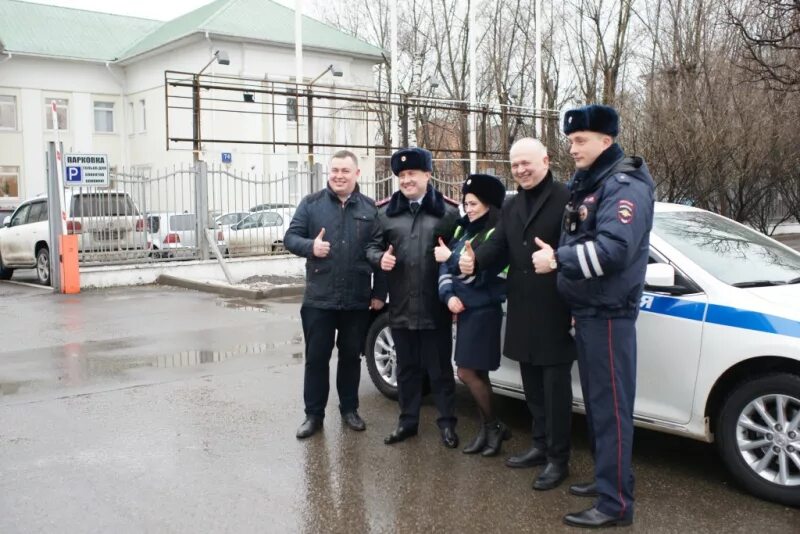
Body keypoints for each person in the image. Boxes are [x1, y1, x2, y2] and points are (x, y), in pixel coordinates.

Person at [532, 105, 655, 528]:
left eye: (580, 140)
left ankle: (615, 503)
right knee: (601, 408)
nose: (572, 148)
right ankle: (611, 481)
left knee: (610, 410)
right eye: (570, 140)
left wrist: (556, 260)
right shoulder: (595, 182)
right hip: (589, 311)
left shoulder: (624, 184)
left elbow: (613, 251)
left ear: (606, 140)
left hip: (607, 313)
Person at [459, 138, 576, 491]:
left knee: (556, 391)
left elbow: (578, 250)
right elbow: (499, 245)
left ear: (546, 159)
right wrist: (475, 259)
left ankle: (559, 458)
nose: (521, 170)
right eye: (515, 165)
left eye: (527, 163)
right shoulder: (511, 204)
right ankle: (540, 445)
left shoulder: (566, 198)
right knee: (533, 387)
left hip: (557, 307)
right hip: (523, 307)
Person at [284, 149, 386, 440]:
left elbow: (379, 251)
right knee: (316, 358)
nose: (339, 176)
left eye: (345, 171)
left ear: (357, 174)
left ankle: (350, 409)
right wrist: (310, 247)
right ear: (329, 173)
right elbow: (290, 237)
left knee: (351, 357)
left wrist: (379, 292)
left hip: (356, 298)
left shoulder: (369, 209)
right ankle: (313, 415)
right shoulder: (311, 205)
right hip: (320, 297)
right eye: (335, 170)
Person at [366, 147, 461, 448]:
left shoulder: (447, 212)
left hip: (435, 307)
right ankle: (407, 422)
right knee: (406, 369)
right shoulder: (385, 214)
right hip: (402, 306)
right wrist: (380, 258)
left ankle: (447, 424)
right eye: (402, 175)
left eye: (413, 174)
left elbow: (461, 253)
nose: (407, 180)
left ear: (427, 175)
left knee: (440, 370)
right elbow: (371, 248)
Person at [434, 174, 509, 456]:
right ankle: (487, 429)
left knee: (466, 372)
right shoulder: (463, 229)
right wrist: (448, 294)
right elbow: (446, 269)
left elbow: (482, 273)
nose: (469, 208)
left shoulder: (495, 233)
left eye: (474, 202)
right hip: (465, 309)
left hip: (484, 309)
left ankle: (495, 426)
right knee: (479, 374)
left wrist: (450, 261)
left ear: (489, 203)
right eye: (466, 203)